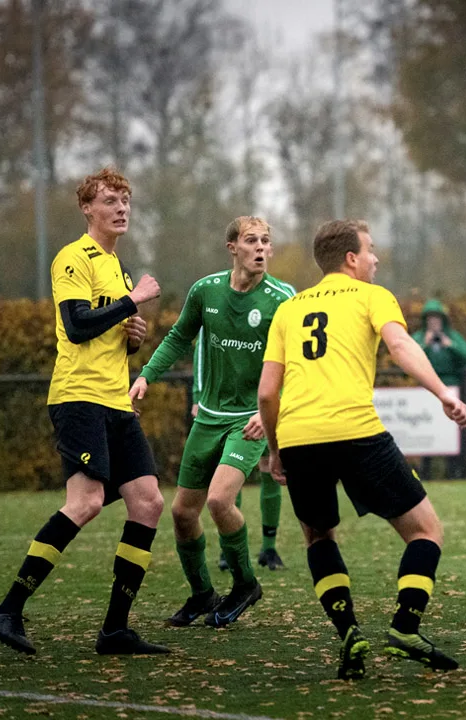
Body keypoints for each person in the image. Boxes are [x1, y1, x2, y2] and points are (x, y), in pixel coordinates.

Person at [258, 219, 466, 680]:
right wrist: (443, 393)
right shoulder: (372, 296)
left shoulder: (288, 310)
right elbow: (401, 345)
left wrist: (276, 450)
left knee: (319, 537)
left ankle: (349, 633)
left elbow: (267, 394)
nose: (375, 258)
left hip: (298, 437)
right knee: (426, 531)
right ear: (351, 258)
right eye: (370, 250)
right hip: (355, 430)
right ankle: (405, 628)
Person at [0, 167, 167, 655]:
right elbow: (78, 326)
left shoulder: (118, 266)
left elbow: (107, 335)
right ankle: (7, 610)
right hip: (79, 398)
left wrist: (133, 337)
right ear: (87, 209)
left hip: (116, 400)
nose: (121, 208)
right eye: (110, 201)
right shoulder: (73, 257)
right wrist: (132, 300)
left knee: (148, 503)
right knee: (85, 502)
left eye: (125, 200)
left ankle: (115, 629)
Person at [129, 216, 295, 628]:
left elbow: (297, 365)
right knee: (182, 513)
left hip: (249, 420)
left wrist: (266, 412)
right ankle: (202, 593)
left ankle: (245, 584)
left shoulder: (283, 299)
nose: (261, 248)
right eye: (252, 240)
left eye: (266, 241)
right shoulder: (206, 290)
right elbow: (178, 338)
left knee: (220, 501)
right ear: (232, 247)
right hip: (209, 416)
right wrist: (146, 375)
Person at [411, 299, 466, 479]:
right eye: (430, 318)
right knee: (427, 429)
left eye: (437, 318)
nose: (434, 322)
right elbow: (409, 358)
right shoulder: (419, 337)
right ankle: (426, 470)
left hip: (451, 387)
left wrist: (450, 345)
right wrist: (425, 344)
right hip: (425, 390)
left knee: (452, 431)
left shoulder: (452, 336)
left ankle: (454, 471)